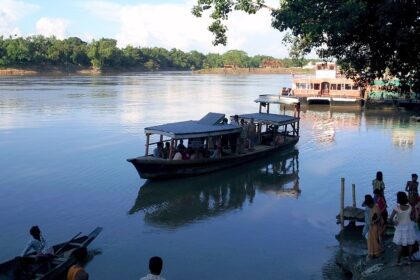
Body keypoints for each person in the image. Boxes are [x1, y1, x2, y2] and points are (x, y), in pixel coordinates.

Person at [388, 192, 417, 265]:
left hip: (400, 228)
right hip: (409, 227)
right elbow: (413, 218)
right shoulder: (410, 207)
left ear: (399, 199)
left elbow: (390, 219)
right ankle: (409, 260)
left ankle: (398, 261)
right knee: (410, 245)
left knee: (400, 245)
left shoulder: (396, 208)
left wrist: (394, 222)